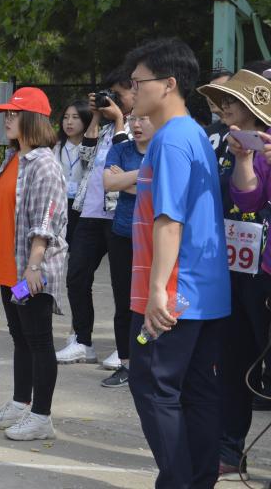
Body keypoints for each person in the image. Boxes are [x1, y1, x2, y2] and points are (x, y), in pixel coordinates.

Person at [125, 38, 229, 488]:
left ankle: (179, 482)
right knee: (196, 389)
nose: (131, 91)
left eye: (138, 82)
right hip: (203, 292)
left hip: (174, 294)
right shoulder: (194, 134)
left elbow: (170, 221)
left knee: (153, 387)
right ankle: (198, 479)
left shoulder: (170, 140)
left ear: (168, 84)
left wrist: (157, 293)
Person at [0, 87, 67, 441]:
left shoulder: (44, 163)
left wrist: (34, 266)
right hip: (9, 268)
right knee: (20, 337)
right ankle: (20, 403)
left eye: (14, 114)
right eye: (6, 114)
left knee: (39, 339)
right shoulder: (14, 157)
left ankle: (41, 416)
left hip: (31, 270)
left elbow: (46, 219)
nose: (7, 120)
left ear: (33, 119)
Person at [199, 69, 271, 480]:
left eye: (232, 100)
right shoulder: (219, 140)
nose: (223, 106)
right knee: (232, 359)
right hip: (233, 263)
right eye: (222, 100)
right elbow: (244, 197)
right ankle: (229, 449)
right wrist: (243, 159)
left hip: (265, 267)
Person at [57, 68, 134, 367]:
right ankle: (82, 342)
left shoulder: (140, 126)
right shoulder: (102, 129)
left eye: (118, 94)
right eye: (109, 94)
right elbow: (85, 158)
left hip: (118, 213)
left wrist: (120, 120)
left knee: (122, 284)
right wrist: (97, 118)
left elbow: (127, 158)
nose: (113, 99)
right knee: (77, 276)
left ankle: (124, 348)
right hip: (89, 212)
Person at [99, 114, 154, 389]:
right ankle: (126, 363)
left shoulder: (163, 149)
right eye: (133, 119)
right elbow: (108, 184)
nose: (137, 125)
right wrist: (146, 175)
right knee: (124, 301)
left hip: (154, 238)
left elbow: (161, 189)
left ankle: (151, 363)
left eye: (144, 119)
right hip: (122, 233)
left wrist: (126, 179)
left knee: (153, 301)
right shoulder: (121, 149)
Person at [54, 100, 92, 245]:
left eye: (75, 117)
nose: (69, 122)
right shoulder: (55, 147)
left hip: (82, 206)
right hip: (59, 203)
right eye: (66, 117)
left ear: (86, 120)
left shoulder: (92, 149)